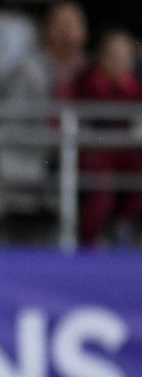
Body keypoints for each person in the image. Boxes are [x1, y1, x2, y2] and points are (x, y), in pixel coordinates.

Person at [71, 29, 142, 248]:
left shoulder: (135, 88)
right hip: (94, 151)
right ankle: (88, 244)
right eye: (113, 56)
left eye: (124, 58)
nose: (118, 62)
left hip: (125, 150)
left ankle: (123, 226)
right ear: (101, 58)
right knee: (102, 189)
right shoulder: (86, 83)